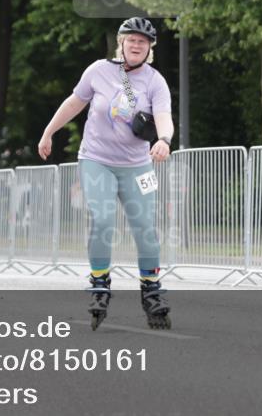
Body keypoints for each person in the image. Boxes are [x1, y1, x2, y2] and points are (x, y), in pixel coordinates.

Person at [38, 17, 174, 330]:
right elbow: (74, 103)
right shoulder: (98, 70)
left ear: (149, 48)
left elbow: (164, 117)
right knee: (102, 219)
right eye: (131, 40)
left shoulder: (155, 81)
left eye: (143, 42)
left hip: (138, 166)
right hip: (96, 160)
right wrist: (48, 132)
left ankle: (151, 290)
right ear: (121, 43)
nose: (136, 45)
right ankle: (100, 282)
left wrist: (164, 140)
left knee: (146, 227)